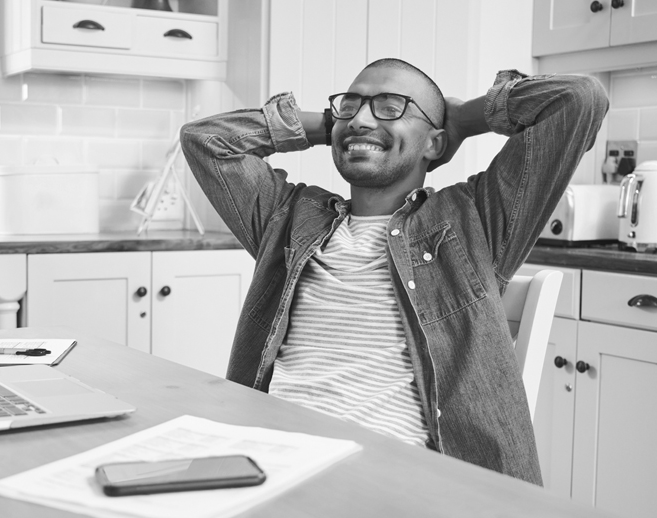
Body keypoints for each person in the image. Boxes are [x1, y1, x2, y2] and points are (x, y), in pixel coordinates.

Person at [180, 58, 608, 485]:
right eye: (350, 105)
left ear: (434, 144)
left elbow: (578, 100)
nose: (362, 119)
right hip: (270, 463)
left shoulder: (474, 220)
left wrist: (466, 119)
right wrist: (331, 123)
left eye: (391, 107)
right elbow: (207, 140)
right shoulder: (289, 218)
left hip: (400, 482)